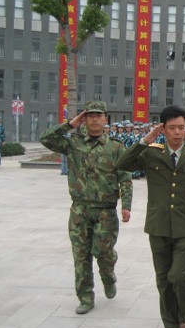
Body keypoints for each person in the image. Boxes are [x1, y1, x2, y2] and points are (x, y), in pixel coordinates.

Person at [117, 106, 185, 328]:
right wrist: (145, 140)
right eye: (172, 128)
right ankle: (169, 322)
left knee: (179, 275)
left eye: (181, 127)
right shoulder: (152, 153)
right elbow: (123, 163)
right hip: (158, 224)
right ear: (163, 130)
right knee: (163, 277)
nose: (177, 132)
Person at [39, 101, 133, 314]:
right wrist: (70, 125)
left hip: (105, 210)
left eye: (98, 115)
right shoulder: (73, 143)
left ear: (105, 119)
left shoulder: (116, 147)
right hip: (80, 209)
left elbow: (125, 178)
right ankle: (85, 297)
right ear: (84, 118)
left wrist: (126, 205)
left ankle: (108, 275)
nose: (94, 119)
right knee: (81, 255)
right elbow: (46, 139)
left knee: (104, 252)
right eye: (90, 115)